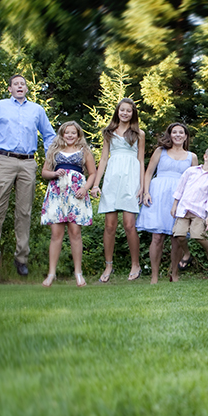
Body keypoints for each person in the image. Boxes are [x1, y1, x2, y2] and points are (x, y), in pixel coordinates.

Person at [0, 74, 57, 276]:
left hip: (28, 162)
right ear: (10, 89)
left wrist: (50, 160)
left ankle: (21, 258)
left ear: (26, 89)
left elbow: (49, 135)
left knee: (24, 211)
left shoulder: (37, 110)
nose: (20, 86)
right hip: (4, 160)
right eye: (16, 84)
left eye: (23, 84)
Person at [90, 98, 146, 282]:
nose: (125, 113)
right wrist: (96, 184)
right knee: (109, 226)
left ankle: (135, 264)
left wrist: (142, 186)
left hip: (131, 179)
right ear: (117, 111)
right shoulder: (109, 132)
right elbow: (103, 159)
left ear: (133, 113)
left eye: (128, 111)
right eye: (122, 110)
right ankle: (108, 265)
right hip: (112, 179)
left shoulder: (139, 134)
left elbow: (141, 160)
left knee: (129, 225)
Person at [137, 123, 197, 284]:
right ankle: (154, 276)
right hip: (158, 196)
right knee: (157, 237)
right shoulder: (160, 151)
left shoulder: (192, 157)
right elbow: (148, 173)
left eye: (181, 132)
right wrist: (146, 192)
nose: (177, 135)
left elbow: (195, 182)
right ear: (170, 135)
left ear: (186, 136)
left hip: (179, 198)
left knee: (177, 237)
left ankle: (174, 274)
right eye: (174, 132)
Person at [40, 122, 98, 287]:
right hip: (57, 193)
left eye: (73, 133)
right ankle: (51, 274)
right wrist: (54, 173)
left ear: (78, 135)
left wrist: (85, 188)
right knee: (56, 234)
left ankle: (78, 274)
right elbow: (44, 172)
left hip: (76, 193)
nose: (70, 135)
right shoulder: (54, 150)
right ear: (62, 134)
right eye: (67, 133)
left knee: (75, 232)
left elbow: (92, 173)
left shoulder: (84, 151)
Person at [169, 147, 208, 282]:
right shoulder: (191, 171)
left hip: (199, 212)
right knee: (179, 235)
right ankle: (187, 254)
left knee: (198, 235)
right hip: (183, 210)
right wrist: (175, 205)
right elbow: (180, 188)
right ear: (205, 157)